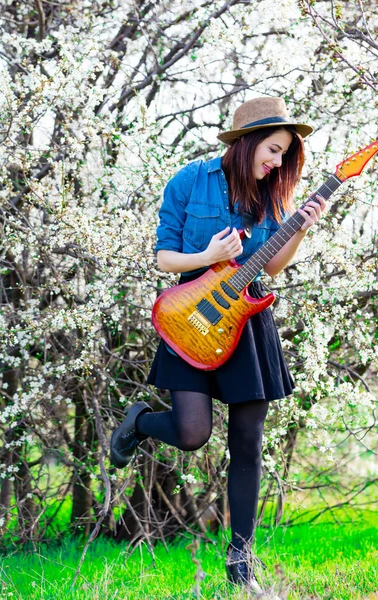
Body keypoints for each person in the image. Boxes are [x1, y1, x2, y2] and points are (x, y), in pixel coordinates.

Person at [110, 96, 326, 590]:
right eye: (272, 150)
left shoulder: (274, 195)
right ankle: (140, 421)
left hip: (247, 324)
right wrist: (206, 254)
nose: (276, 162)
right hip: (192, 317)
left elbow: (271, 267)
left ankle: (240, 562)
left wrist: (299, 231)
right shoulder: (190, 180)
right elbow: (164, 256)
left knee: (248, 442)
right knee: (191, 433)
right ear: (246, 142)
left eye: (283, 155)